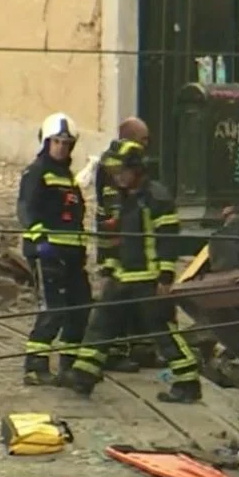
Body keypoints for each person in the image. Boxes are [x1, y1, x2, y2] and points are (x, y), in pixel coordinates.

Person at [70, 139, 202, 403]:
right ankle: (83, 376)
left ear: (136, 169)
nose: (118, 176)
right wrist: (108, 269)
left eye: (122, 171)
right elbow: (118, 239)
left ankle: (188, 382)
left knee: (162, 331)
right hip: (123, 277)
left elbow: (167, 239)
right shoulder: (123, 198)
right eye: (115, 172)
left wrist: (165, 277)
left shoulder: (155, 197)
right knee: (100, 325)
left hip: (149, 279)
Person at [17, 113, 93, 386]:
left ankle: (68, 365)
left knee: (80, 308)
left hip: (72, 257)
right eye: (57, 142)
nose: (61, 147)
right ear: (46, 142)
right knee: (53, 309)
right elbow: (26, 208)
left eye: (66, 142)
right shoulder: (36, 172)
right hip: (47, 254)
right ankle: (35, 366)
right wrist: (40, 241)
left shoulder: (67, 176)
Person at [78, 116, 157, 373]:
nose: (146, 146)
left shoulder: (126, 164)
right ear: (130, 139)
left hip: (127, 241)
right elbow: (114, 210)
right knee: (115, 296)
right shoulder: (115, 166)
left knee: (134, 296)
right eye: (143, 140)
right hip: (115, 241)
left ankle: (137, 346)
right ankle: (113, 351)